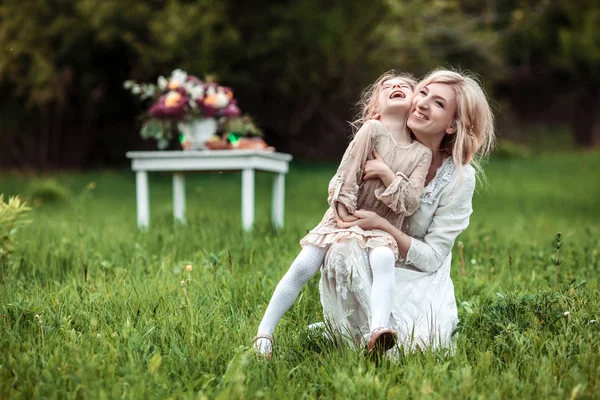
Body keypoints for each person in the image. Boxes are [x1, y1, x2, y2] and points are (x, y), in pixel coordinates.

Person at [253, 71, 433, 358]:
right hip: (344, 216)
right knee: (304, 266)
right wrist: (341, 211)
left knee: (384, 260)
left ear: (414, 103)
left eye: (404, 86)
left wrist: (387, 174)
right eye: (387, 86)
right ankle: (264, 333)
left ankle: (378, 331)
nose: (396, 87)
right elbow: (346, 172)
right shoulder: (371, 131)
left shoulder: (421, 153)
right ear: (375, 106)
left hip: (380, 226)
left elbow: (409, 202)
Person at [319, 69, 496, 352]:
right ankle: (354, 334)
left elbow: (434, 257)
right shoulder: (380, 141)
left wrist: (383, 225)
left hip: (418, 275)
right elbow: (345, 188)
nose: (423, 103)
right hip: (370, 259)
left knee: (414, 346)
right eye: (423, 92)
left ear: (451, 126)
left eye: (438, 103)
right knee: (342, 248)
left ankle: (375, 336)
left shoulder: (459, 177)